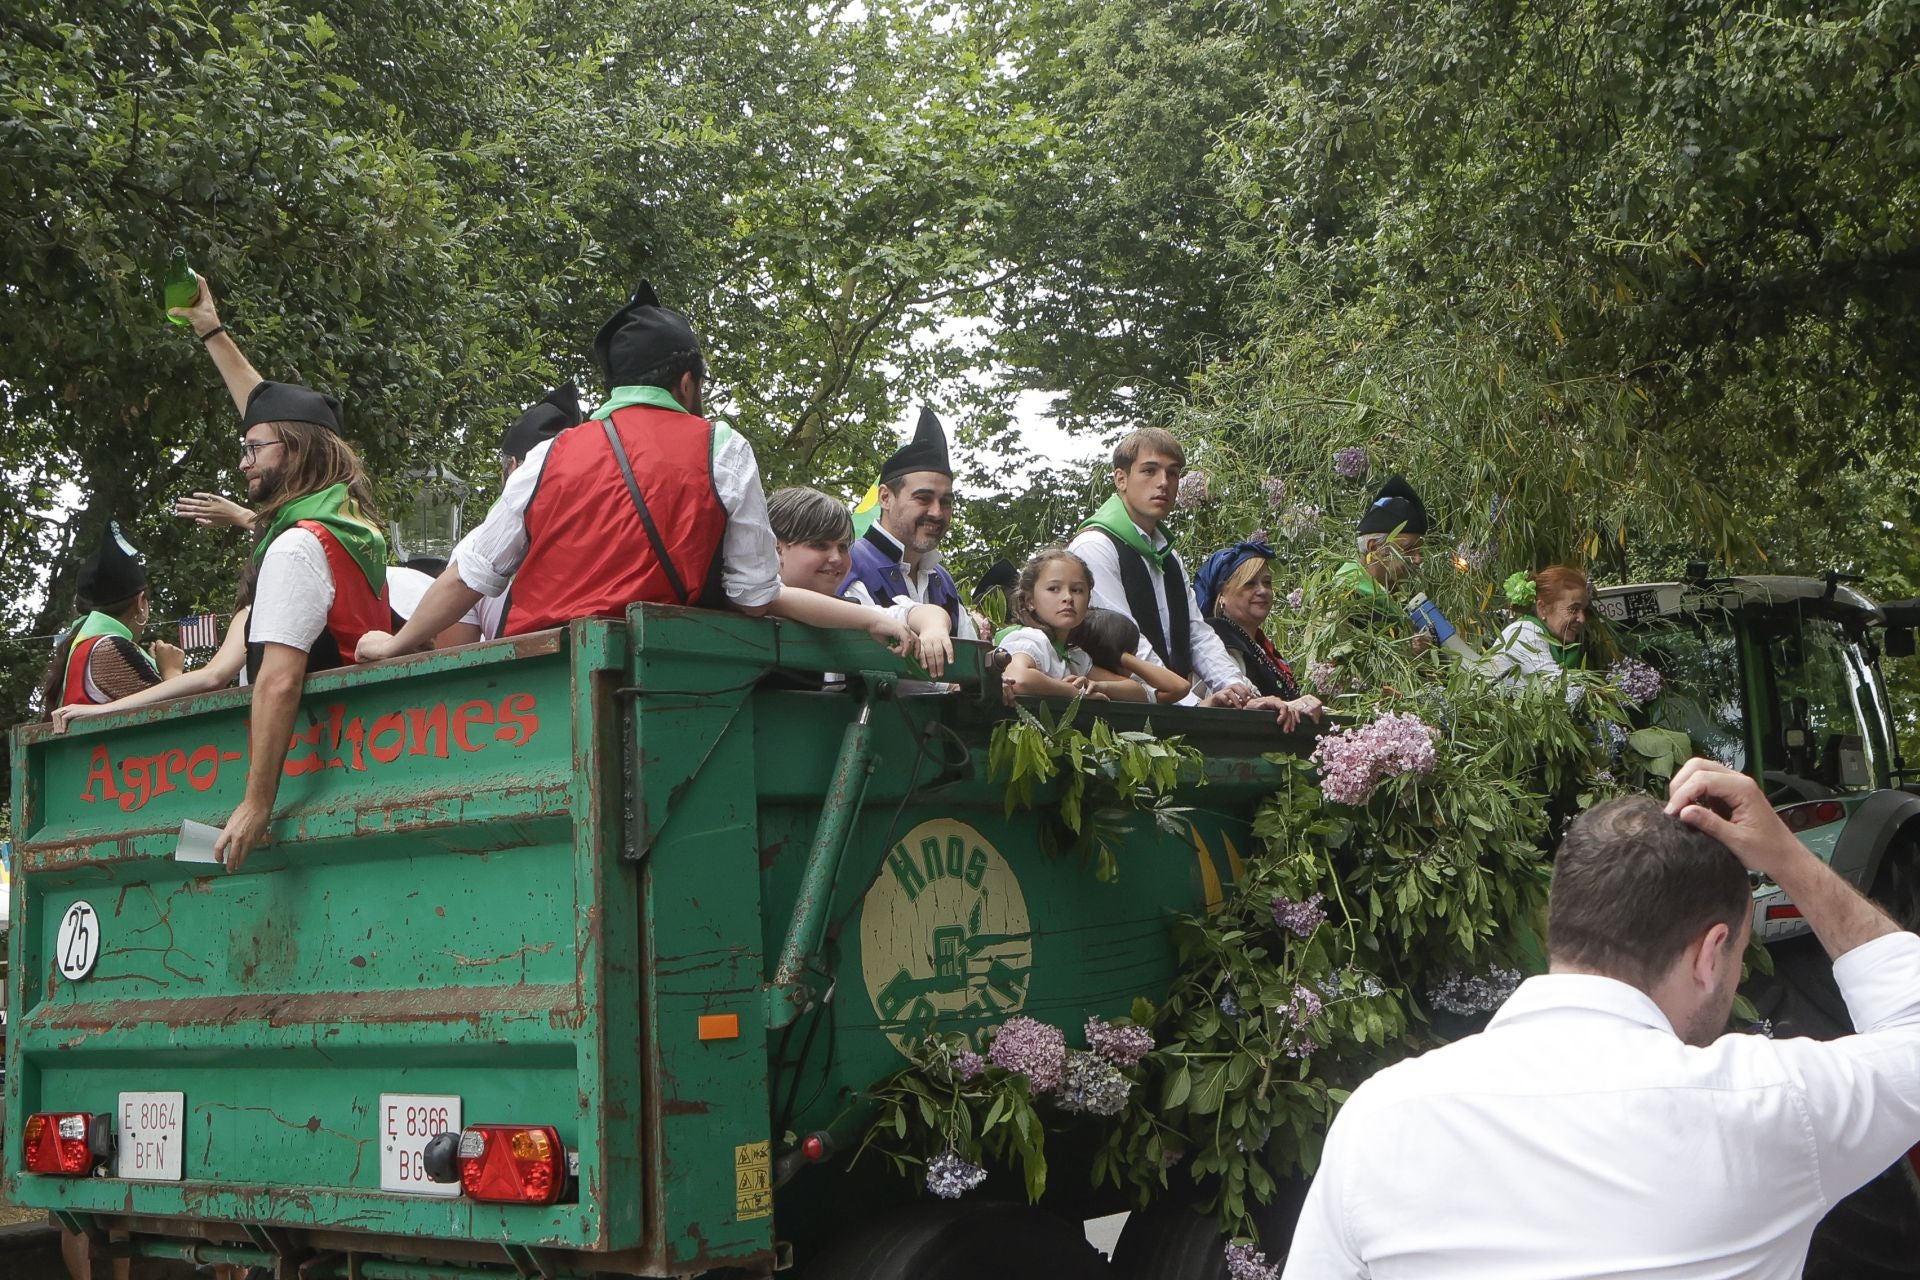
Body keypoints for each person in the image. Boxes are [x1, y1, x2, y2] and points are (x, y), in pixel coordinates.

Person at [1282, 757, 1920, 1279]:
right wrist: (1788, 856)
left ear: (1559, 925)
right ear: (1708, 955)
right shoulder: (1770, 1108)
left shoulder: (1379, 1117)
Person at [357, 281, 916, 661]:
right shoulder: (722, 446)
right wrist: (865, 620)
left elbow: (469, 574)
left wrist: (398, 643)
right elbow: (752, 596)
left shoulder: (549, 455)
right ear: (688, 383)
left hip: (540, 686)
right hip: (661, 678)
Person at [1066, 429, 1256, 706]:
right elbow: (1126, 644)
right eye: (1149, 471)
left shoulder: (1168, 555)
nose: (1163, 483)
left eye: (1173, 473)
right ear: (1121, 479)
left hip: (1172, 711)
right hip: (1119, 713)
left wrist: (1240, 692)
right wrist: (1191, 706)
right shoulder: (1095, 546)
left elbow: (1196, 635)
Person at [770, 485, 953, 678]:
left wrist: (933, 629)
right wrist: (872, 622)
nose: (836, 558)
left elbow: (918, 612)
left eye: (843, 547)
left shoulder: (847, 610)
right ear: (777, 548)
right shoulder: (753, 595)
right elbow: (777, 597)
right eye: (819, 545)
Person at [839, 407, 981, 642]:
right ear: (885, 497)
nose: (936, 512)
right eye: (923, 498)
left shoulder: (943, 582)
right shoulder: (848, 564)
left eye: (945, 502)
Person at [37, 523, 184, 712]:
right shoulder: (111, 649)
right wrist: (172, 672)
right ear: (140, 603)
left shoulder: (85, 645)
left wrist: (152, 664)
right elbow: (182, 716)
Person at [1193, 540, 1325, 729]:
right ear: (1222, 595)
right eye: (1249, 584)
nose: (1262, 591)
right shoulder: (1215, 635)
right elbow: (1230, 696)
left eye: (1267, 582)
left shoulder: (1263, 647)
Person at [995, 548, 1104, 700]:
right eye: (1053, 589)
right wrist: (1077, 694)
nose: (1068, 597)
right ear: (1030, 601)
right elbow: (1018, 679)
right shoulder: (1030, 639)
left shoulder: (1075, 656)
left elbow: (1141, 692)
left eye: (1077, 590)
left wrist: (1097, 686)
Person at [1334, 474, 1429, 634]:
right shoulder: (1343, 599)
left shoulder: (1398, 600)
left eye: (1420, 551)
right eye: (1408, 549)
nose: (1418, 560)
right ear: (1374, 548)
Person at [1483, 566, 1592, 681]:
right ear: (1542, 608)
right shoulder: (1523, 634)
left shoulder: (1561, 645)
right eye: (1573, 609)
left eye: (1583, 610)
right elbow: (1556, 687)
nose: (1582, 619)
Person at [1072, 608, 1192, 704]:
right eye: (1134, 654)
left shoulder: (1118, 685)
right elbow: (1180, 687)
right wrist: (1123, 657)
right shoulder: (1084, 670)